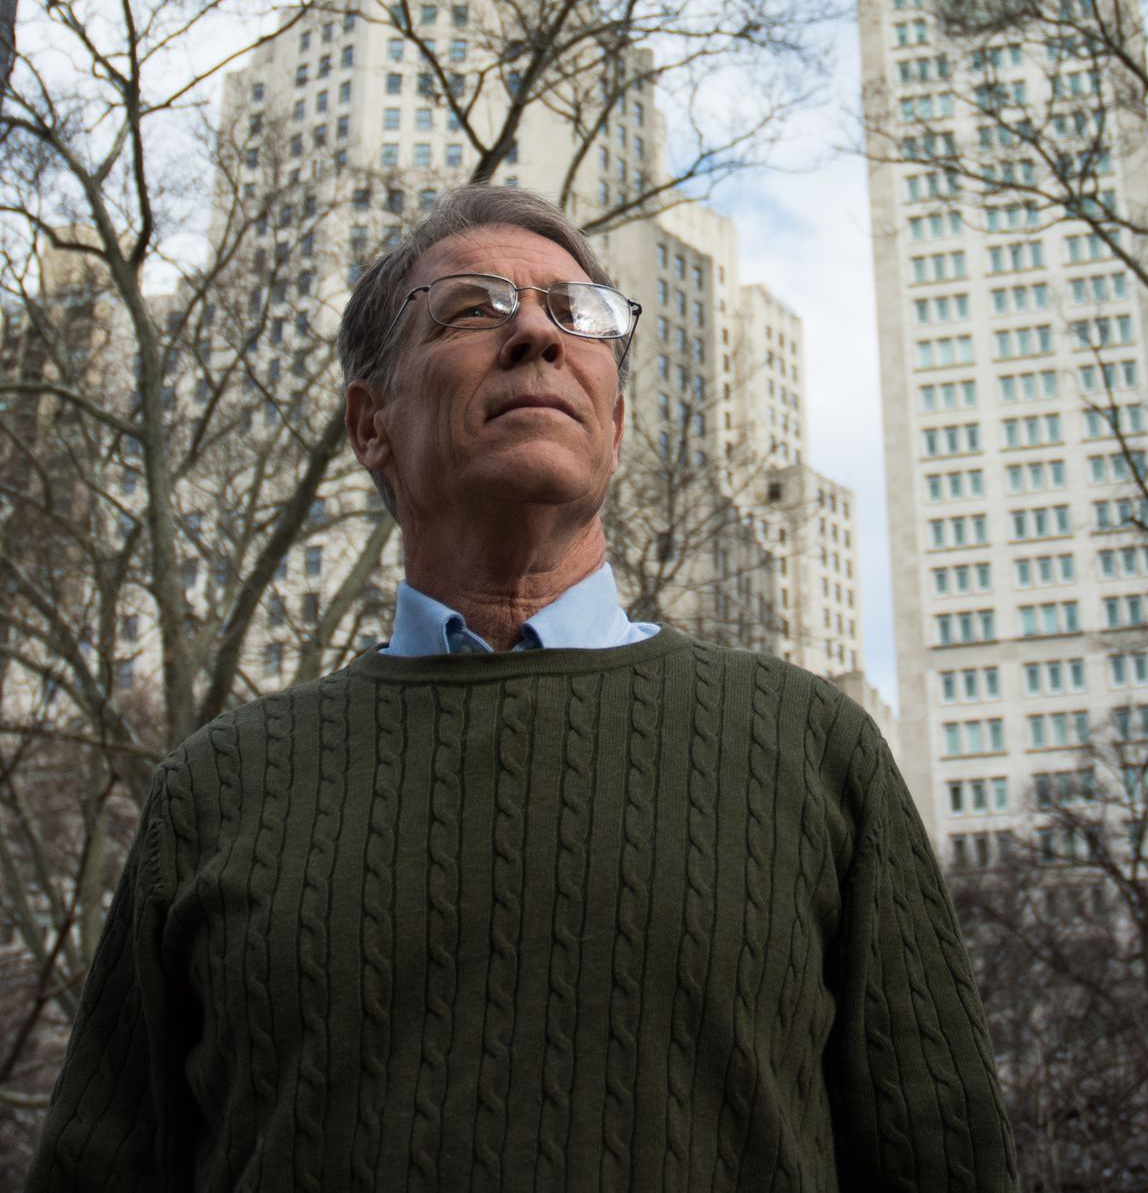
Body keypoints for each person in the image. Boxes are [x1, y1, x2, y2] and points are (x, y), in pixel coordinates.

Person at [28, 183, 1017, 1191]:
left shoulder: (816, 749)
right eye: (473, 307)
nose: (537, 334)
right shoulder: (214, 791)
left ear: (616, 420)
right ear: (371, 424)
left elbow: (942, 1155)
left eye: (574, 312)